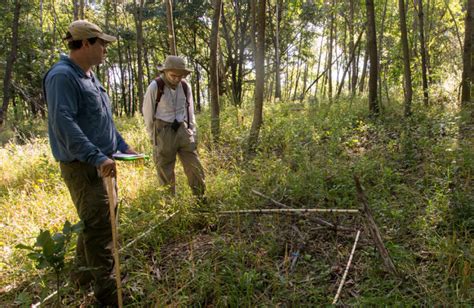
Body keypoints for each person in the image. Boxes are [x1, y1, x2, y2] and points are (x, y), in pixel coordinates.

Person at [43, 20, 136, 306]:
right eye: (101, 43)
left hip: (104, 162)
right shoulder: (62, 76)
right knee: (100, 230)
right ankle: (108, 294)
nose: (105, 49)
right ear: (85, 44)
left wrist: (121, 146)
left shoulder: (90, 76)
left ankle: (81, 277)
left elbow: (101, 119)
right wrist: (97, 157)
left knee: (96, 221)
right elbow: (64, 124)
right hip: (85, 167)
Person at [143, 55, 205, 198]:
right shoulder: (155, 87)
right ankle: (170, 204)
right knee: (165, 169)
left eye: (180, 76)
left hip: (183, 129)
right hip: (163, 130)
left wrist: (192, 130)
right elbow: (148, 113)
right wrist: (153, 135)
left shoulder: (185, 86)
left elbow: (189, 109)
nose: (176, 79)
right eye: (173, 75)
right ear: (165, 72)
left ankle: (200, 197)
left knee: (194, 165)